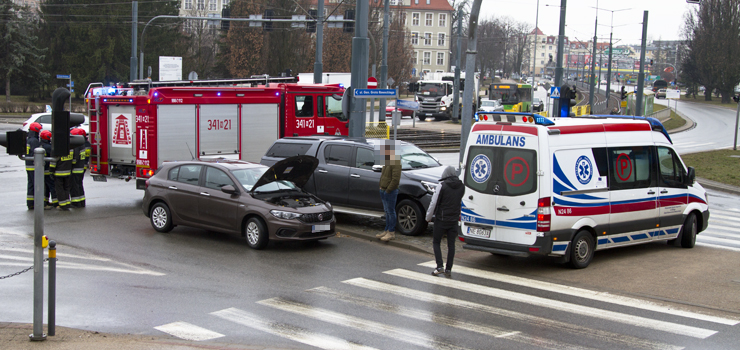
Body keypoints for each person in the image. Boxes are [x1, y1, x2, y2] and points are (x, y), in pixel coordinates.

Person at [425, 166, 465, 277]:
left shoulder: (442, 186)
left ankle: (439, 266)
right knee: (451, 245)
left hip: (441, 219)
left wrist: (428, 216)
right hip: (453, 220)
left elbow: (434, 203)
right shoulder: (462, 186)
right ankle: (448, 269)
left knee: (436, 242)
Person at [377, 141, 401, 242]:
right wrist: (381, 187)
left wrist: (388, 190)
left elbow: (395, 179)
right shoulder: (387, 160)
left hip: (389, 191)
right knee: (387, 211)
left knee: (391, 211)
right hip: (383, 189)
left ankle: (391, 232)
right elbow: (383, 175)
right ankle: (386, 230)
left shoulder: (395, 161)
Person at [51, 131, 76, 211]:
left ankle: (62, 204)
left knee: (60, 189)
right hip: (68, 171)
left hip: (59, 173)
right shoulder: (70, 149)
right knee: (66, 188)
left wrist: (51, 171)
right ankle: (67, 203)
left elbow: (53, 162)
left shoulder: (57, 148)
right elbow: (73, 160)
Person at [24, 122, 43, 210]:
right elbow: (37, 153)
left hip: (28, 164)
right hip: (33, 165)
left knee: (31, 184)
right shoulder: (34, 141)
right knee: (36, 184)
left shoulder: (29, 139)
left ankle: (30, 203)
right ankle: (37, 203)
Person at [70, 128, 90, 208]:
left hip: (76, 168)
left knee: (74, 186)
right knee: (79, 184)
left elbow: (75, 159)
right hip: (82, 167)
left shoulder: (78, 145)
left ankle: (76, 203)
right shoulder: (87, 144)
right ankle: (82, 201)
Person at [39, 130, 57, 209]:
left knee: (45, 187)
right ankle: (56, 202)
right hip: (48, 170)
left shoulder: (40, 146)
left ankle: (45, 202)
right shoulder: (49, 147)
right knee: (52, 186)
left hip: (42, 169)